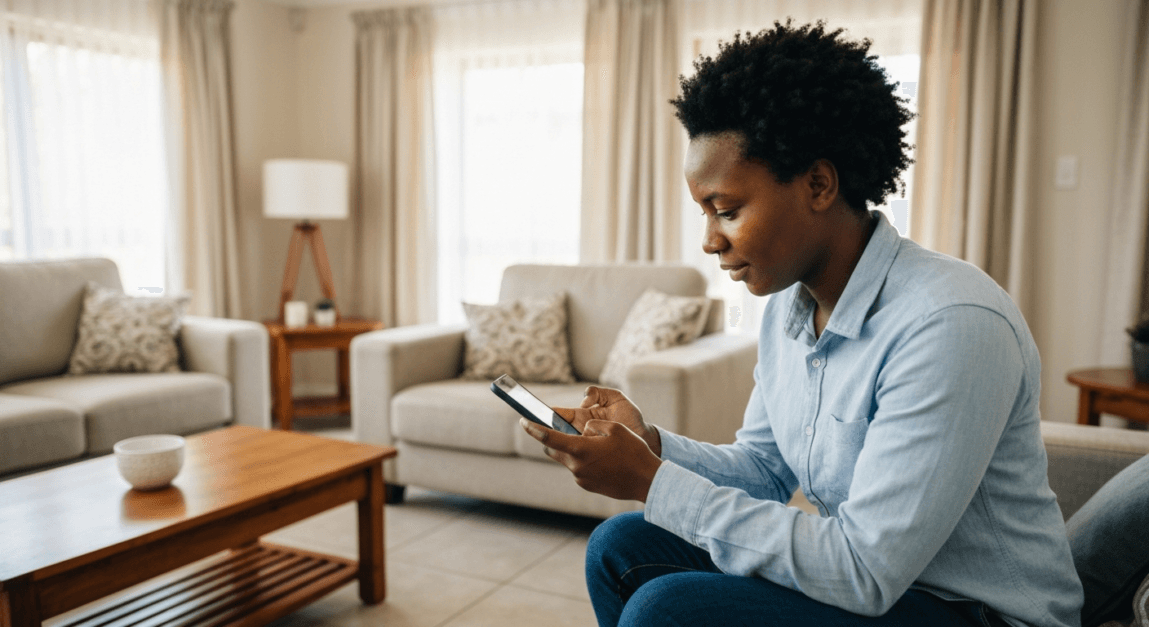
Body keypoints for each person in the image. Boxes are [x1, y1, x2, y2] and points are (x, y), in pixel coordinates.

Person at [519, 20, 1084, 627]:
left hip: (974, 611)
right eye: (704, 212)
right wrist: (649, 447)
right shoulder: (789, 311)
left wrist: (655, 482)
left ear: (818, 184)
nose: (710, 240)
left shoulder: (950, 325)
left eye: (727, 210)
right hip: (888, 590)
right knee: (621, 549)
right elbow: (762, 471)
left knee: (667, 609)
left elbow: (864, 570)